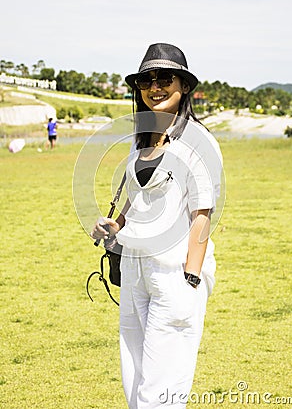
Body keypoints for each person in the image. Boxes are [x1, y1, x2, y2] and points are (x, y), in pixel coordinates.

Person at [91, 43, 223, 408]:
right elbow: (135, 201)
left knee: (163, 385)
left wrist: (191, 277)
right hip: (134, 269)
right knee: (133, 375)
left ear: (184, 87)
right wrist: (112, 226)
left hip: (174, 272)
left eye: (166, 78)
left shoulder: (198, 142)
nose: (156, 86)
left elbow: (202, 214)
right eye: (147, 80)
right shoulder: (140, 142)